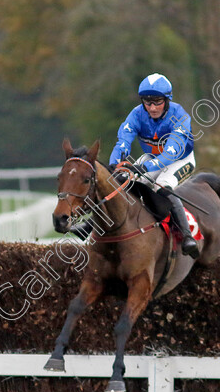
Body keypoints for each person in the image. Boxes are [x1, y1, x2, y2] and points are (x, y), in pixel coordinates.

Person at [74, 73, 199, 258]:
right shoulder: (137, 114)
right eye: (147, 102)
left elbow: (170, 154)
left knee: (162, 186)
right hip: (152, 157)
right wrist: (115, 165)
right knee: (121, 182)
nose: (152, 107)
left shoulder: (179, 116)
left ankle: (188, 237)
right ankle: (90, 225)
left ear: (167, 100)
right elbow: (122, 142)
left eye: (157, 102)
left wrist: (144, 168)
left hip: (180, 160)